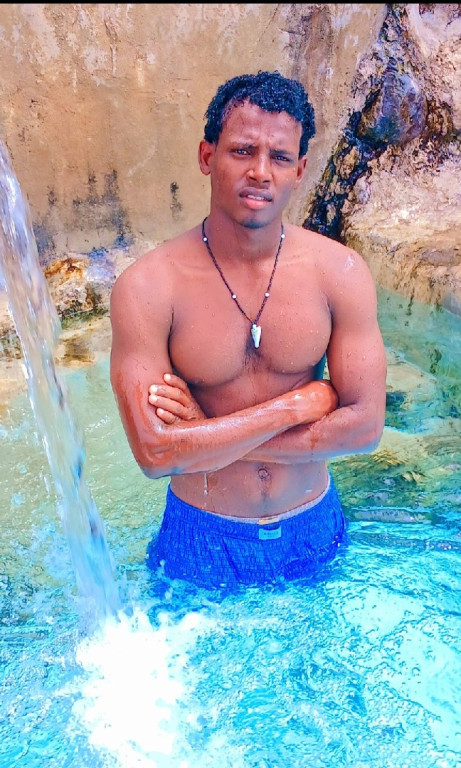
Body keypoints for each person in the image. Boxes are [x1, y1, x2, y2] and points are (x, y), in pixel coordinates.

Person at [109, 70, 387, 591]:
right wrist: (295, 406)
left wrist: (205, 435)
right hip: (202, 537)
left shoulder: (340, 273)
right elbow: (155, 455)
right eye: (242, 151)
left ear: (299, 170)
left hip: (313, 528)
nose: (260, 172)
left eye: (279, 157)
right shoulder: (148, 288)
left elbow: (366, 429)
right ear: (207, 156)